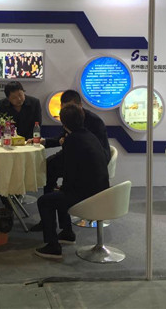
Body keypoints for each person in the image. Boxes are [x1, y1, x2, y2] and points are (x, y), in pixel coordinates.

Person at [35, 104, 110, 260]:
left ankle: (53, 246)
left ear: (63, 124)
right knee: (60, 194)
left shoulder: (72, 141)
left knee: (44, 201)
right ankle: (67, 233)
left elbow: (69, 172)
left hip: (88, 196)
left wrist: (62, 189)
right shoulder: (90, 136)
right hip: (103, 193)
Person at [29, 89, 111, 231]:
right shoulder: (73, 121)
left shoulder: (93, 122)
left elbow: (92, 150)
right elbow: (63, 138)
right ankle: (54, 221)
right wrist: (45, 142)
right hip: (77, 155)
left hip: (91, 162)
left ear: (79, 106)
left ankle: (60, 221)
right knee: (49, 167)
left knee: (63, 185)